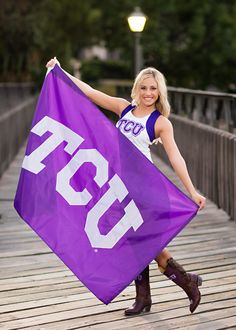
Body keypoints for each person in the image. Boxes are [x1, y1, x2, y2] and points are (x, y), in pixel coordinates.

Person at [46, 58, 206, 316]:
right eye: (144, 88)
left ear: (159, 92)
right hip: (119, 188)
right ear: (136, 89)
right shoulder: (123, 108)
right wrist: (60, 72)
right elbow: (90, 92)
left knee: (143, 244)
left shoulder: (160, 122)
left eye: (153, 89)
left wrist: (192, 191)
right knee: (135, 244)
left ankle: (183, 285)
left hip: (145, 191)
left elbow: (176, 157)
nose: (148, 93)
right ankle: (158, 293)